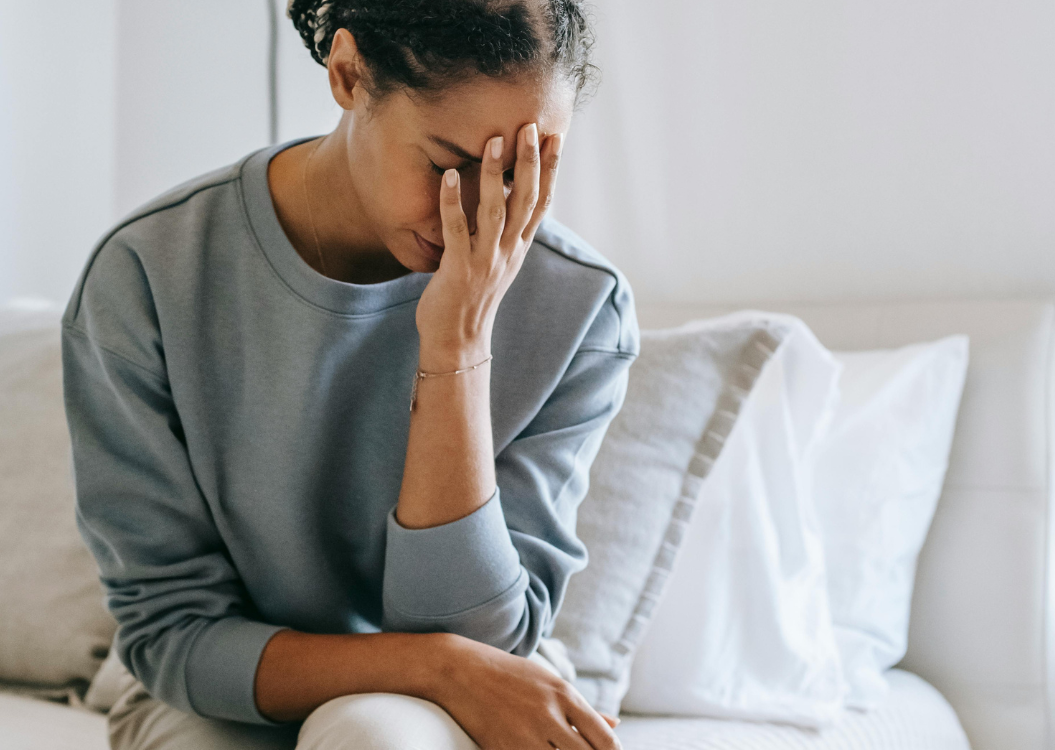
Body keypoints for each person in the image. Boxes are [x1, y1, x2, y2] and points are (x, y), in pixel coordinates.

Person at [60, 0, 639, 747]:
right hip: (225, 685)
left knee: (377, 736)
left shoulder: (581, 306)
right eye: (445, 164)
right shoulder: (148, 274)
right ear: (348, 73)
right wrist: (429, 666)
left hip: (474, 680)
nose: (478, 216)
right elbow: (172, 633)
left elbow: (480, 640)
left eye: (518, 175)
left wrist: (457, 343)